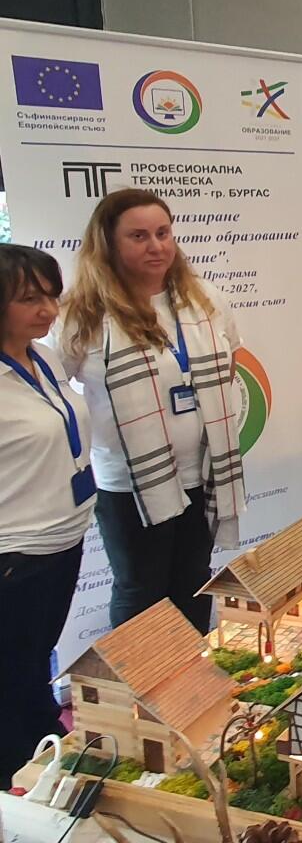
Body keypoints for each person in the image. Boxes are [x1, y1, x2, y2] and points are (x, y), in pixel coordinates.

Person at [58, 189, 244, 635]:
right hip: (128, 484)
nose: (156, 246)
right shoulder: (83, 313)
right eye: (138, 236)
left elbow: (230, 364)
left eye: (163, 233)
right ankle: (139, 682)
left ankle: (191, 676)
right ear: (108, 243)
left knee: (194, 583)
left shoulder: (204, 298)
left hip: (202, 471)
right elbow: (53, 393)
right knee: (142, 591)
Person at [0, 246, 95, 788]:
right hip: (16, 554)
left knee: (34, 667)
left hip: (63, 541)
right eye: (29, 299)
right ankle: (20, 784)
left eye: (51, 296)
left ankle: (41, 764)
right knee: (14, 681)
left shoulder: (45, 357)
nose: (48, 310)